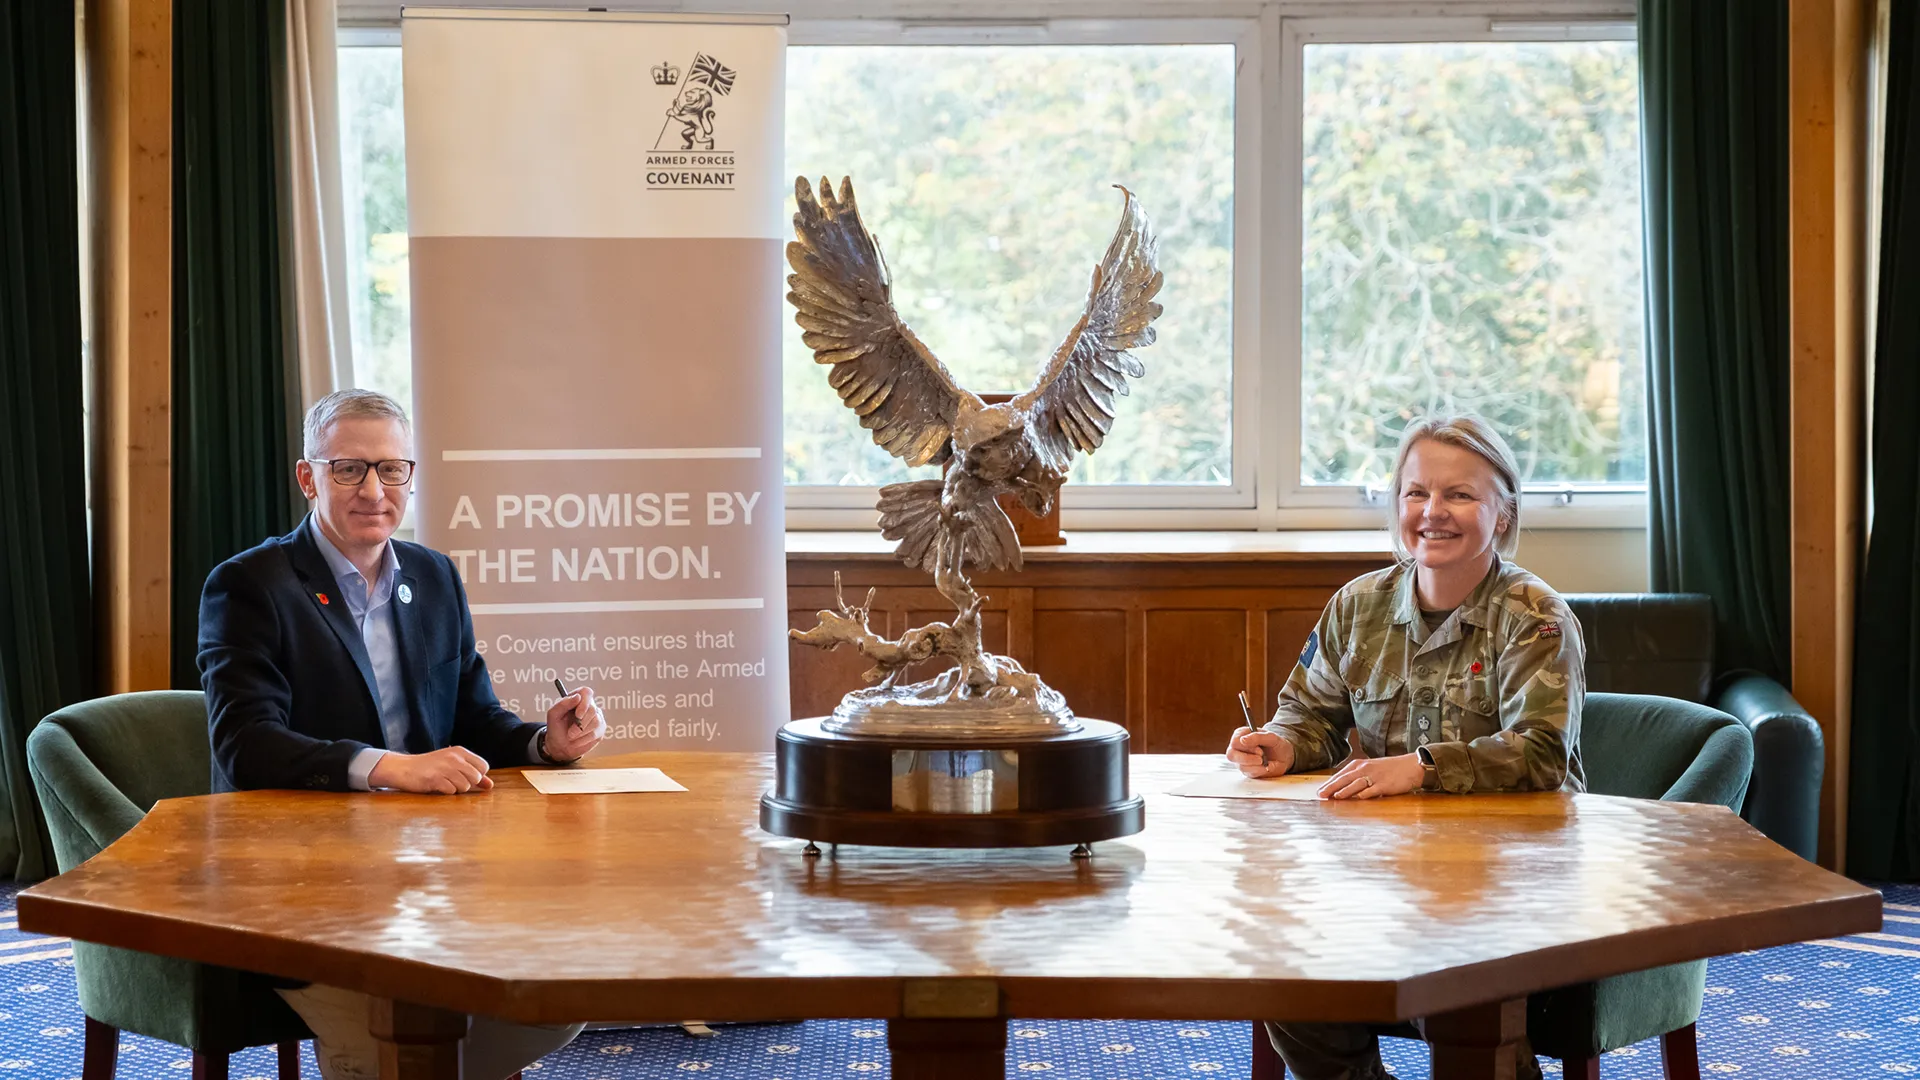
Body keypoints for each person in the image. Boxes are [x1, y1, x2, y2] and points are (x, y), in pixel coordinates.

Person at [198, 388, 608, 1080]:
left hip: (432, 873)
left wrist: (546, 744)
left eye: (392, 469)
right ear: (308, 478)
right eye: (349, 468)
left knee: (557, 989)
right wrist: (388, 767)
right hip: (303, 886)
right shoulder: (249, 585)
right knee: (396, 1043)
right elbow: (246, 746)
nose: (373, 490)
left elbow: (475, 720)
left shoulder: (434, 575)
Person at [1224, 414, 1585, 1080]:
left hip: (1510, 889)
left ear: (1502, 514)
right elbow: (1308, 713)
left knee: (1459, 999)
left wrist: (1420, 769)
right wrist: (1278, 744)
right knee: (1291, 985)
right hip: (1382, 879)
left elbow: (1541, 753)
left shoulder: (1534, 615)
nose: (1432, 513)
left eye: (1459, 495)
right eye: (1416, 493)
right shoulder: (1358, 606)